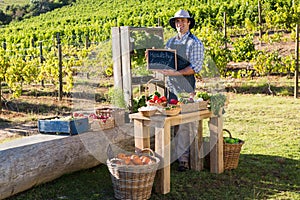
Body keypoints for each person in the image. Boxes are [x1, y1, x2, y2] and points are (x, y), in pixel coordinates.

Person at [160, 9, 205, 171]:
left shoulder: (195, 43)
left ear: (189, 23)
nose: (180, 24)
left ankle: (183, 160)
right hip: (171, 87)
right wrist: (152, 59)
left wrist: (175, 73)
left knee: (184, 122)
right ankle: (172, 155)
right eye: (177, 22)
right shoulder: (170, 42)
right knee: (170, 121)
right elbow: (164, 61)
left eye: (183, 21)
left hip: (186, 87)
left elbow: (195, 68)